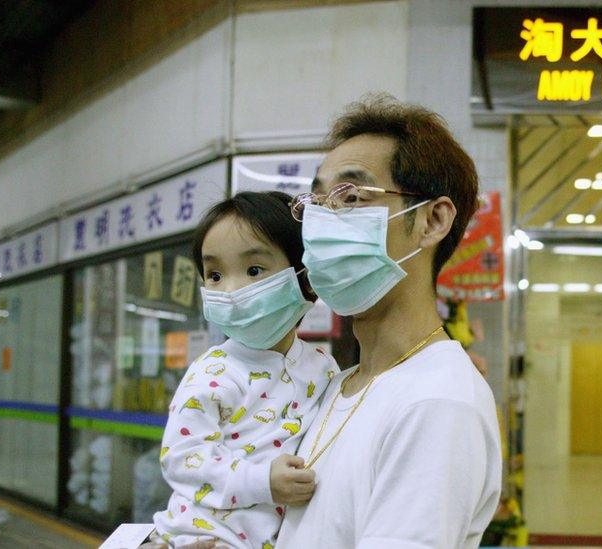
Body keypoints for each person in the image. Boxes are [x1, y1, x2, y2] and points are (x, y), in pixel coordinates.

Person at [276, 95, 502, 548]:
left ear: (432, 220)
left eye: (351, 197)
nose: (321, 222)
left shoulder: (437, 401)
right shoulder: (339, 385)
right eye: (316, 202)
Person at [149, 191, 339, 548]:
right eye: (215, 274)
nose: (232, 290)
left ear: (305, 274)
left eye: (254, 270)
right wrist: (261, 481)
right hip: (205, 537)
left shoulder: (323, 368)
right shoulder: (212, 371)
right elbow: (181, 458)